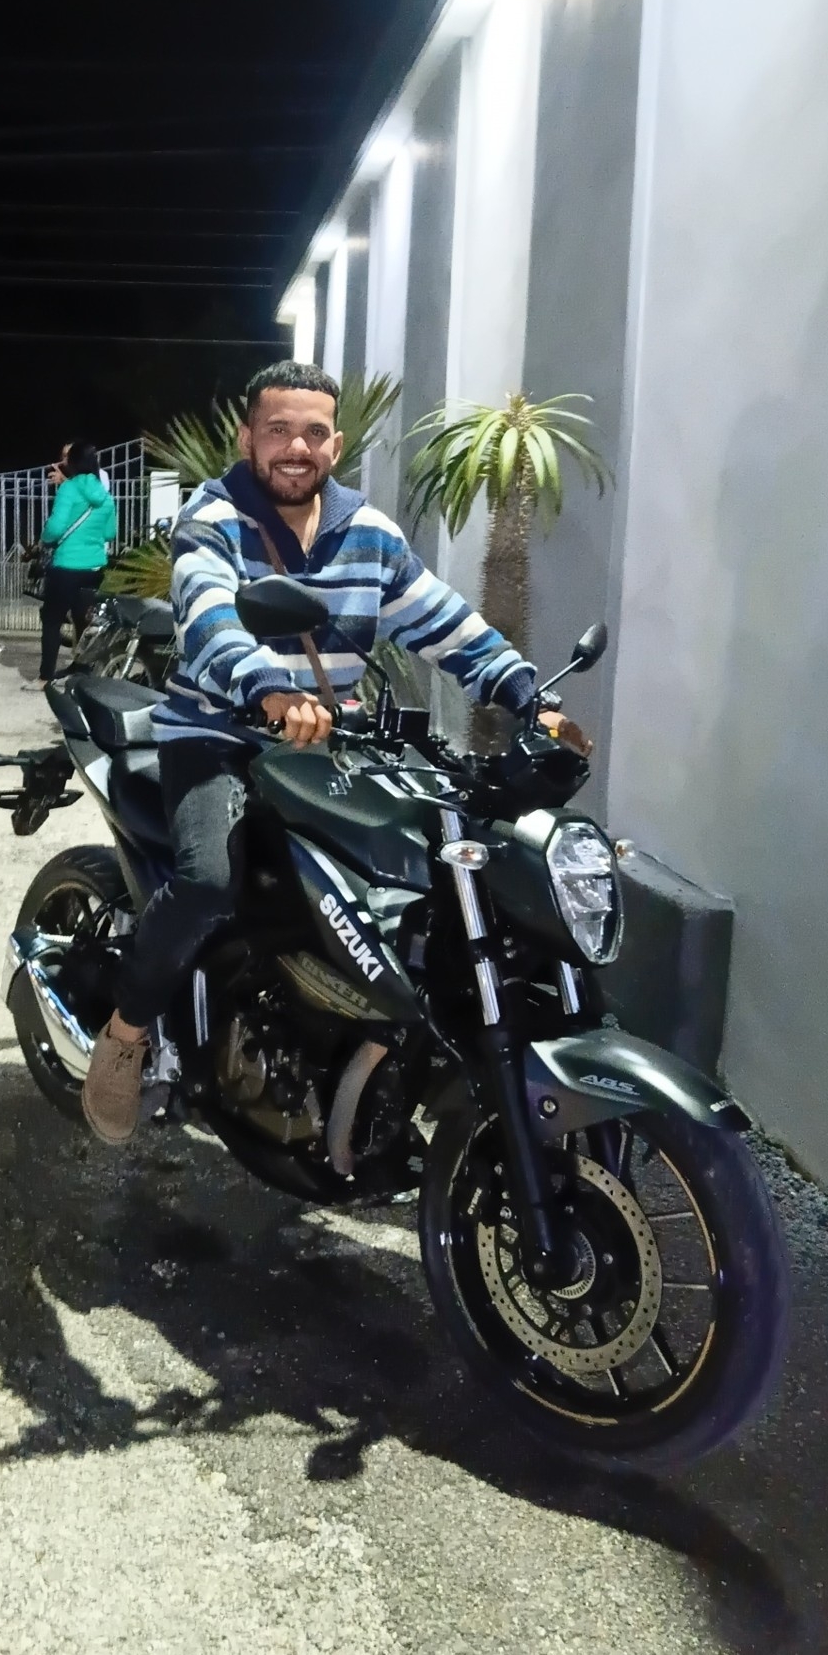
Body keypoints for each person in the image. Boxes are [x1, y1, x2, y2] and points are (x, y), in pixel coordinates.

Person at [79, 359, 590, 1144]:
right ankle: (126, 1033)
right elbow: (209, 617)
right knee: (210, 882)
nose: (296, 447)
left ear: (336, 445)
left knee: (414, 871)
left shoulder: (370, 534)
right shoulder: (213, 518)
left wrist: (529, 696)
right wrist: (267, 690)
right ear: (248, 437)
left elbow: (444, 623)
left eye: (313, 433)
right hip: (218, 734)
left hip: (328, 745)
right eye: (278, 430)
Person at [27, 440, 117, 690]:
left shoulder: (69, 489)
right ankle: (82, 673)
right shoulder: (105, 495)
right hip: (94, 568)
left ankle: (45, 677)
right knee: (83, 622)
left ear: (74, 462)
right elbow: (109, 533)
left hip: (66, 566)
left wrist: (45, 537)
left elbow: (55, 529)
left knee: (52, 620)